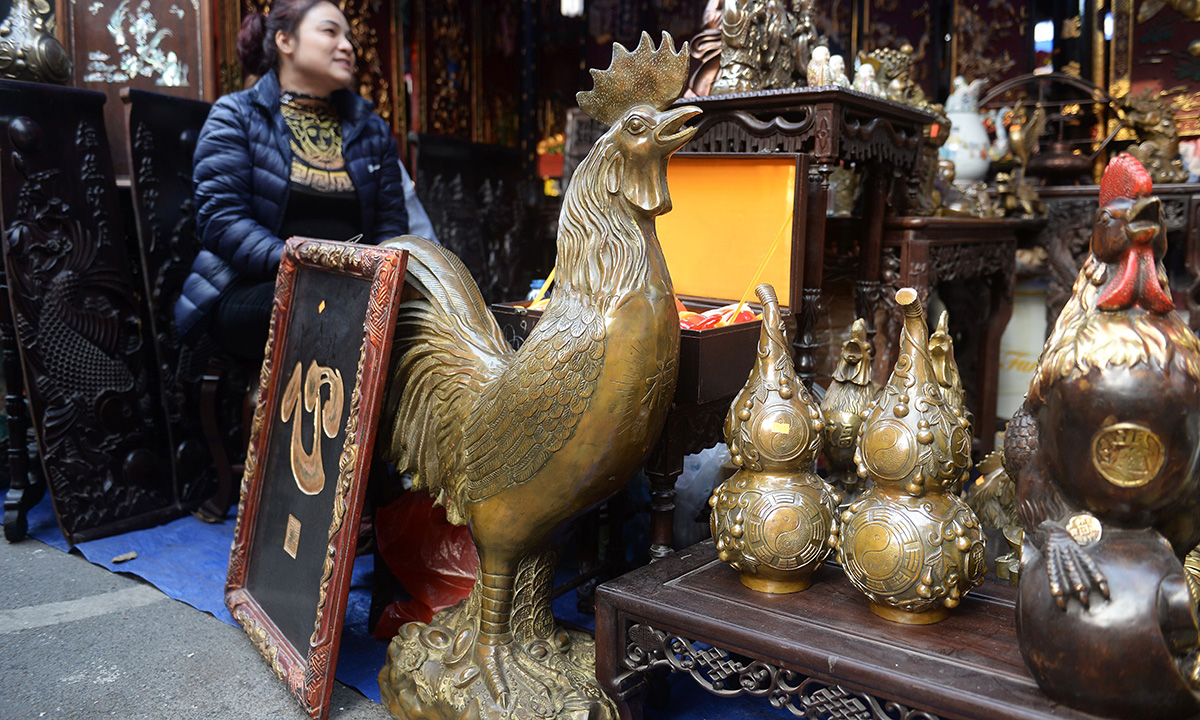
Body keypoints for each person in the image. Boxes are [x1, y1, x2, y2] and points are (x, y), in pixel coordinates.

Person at [174, 0, 410, 362]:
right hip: (250, 286)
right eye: (330, 31)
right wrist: (308, 264)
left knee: (416, 320)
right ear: (285, 41)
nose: (348, 46)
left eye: (348, 36)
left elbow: (390, 226)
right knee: (329, 308)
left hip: (353, 289)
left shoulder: (372, 130)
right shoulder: (235, 116)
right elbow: (222, 223)